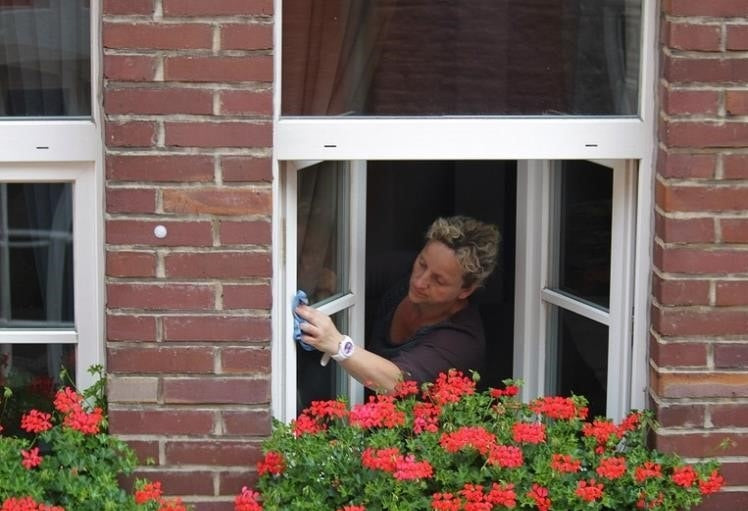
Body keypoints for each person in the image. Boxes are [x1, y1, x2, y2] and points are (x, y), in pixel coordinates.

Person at [295, 216, 500, 393]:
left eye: (439, 280)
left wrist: (338, 344)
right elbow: (339, 280)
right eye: (422, 263)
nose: (420, 281)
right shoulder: (403, 270)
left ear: (466, 290)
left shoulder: (461, 341)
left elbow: (397, 383)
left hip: (410, 435)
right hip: (357, 405)